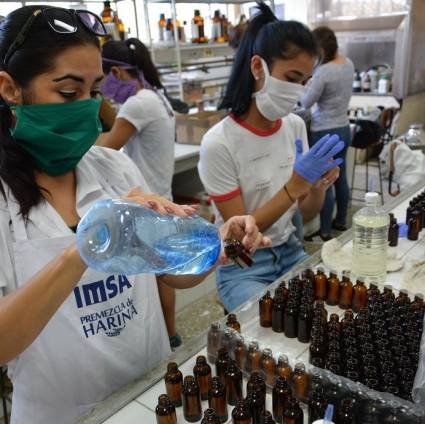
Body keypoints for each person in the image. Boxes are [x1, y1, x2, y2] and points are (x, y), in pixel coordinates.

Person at [0, 6, 269, 423]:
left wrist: (216, 246)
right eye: (69, 93)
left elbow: (168, 272)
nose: (87, 109)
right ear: (10, 88)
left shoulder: (114, 169)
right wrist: (82, 250)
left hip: (153, 394)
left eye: (93, 92)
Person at [198, 3, 345, 312]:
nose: (299, 92)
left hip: (290, 251)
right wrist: (295, 185)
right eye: (291, 77)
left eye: (304, 81)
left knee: (330, 310)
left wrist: (317, 185)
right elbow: (241, 237)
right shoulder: (219, 143)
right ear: (257, 68)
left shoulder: (294, 126)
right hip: (244, 263)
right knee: (273, 325)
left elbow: (304, 214)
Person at [97, 39, 181, 348]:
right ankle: (170, 333)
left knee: (157, 275)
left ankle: (167, 335)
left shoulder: (137, 104)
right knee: (162, 271)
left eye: (100, 80)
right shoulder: (155, 96)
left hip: (147, 200)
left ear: (116, 72)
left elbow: (107, 148)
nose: (102, 89)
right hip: (160, 191)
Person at [301, 26, 354, 241]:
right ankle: (340, 222)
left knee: (324, 182)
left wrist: (305, 86)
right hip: (343, 127)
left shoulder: (323, 72)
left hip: (324, 131)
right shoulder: (348, 63)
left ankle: (324, 230)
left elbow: (306, 103)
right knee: (340, 178)